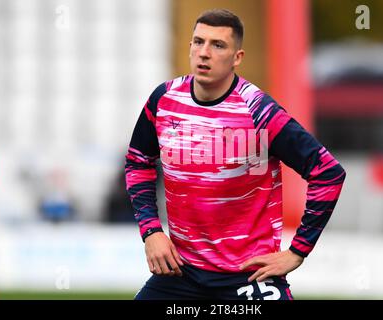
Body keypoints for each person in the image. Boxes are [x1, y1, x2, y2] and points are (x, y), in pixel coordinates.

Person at [125, 9, 346, 300]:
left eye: (218, 45)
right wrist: (151, 231)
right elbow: (137, 162)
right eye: (198, 42)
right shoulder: (163, 101)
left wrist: (297, 251)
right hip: (181, 274)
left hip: (248, 275)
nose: (204, 53)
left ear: (237, 57)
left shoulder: (259, 112)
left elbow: (327, 173)